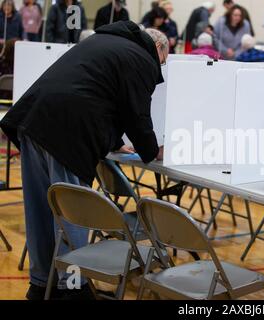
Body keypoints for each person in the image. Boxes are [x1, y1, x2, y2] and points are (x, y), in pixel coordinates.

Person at [0, 21, 167, 300]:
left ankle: (41, 284)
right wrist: (153, 150)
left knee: (41, 211)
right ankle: (72, 288)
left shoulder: (102, 42)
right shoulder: (141, 58)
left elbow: (93, 92)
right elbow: (137, 114)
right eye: (164, 60)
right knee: (70, 215)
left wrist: (114, 142)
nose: (161, 67)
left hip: (32, 122)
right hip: (65, 134)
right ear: (158, 48)